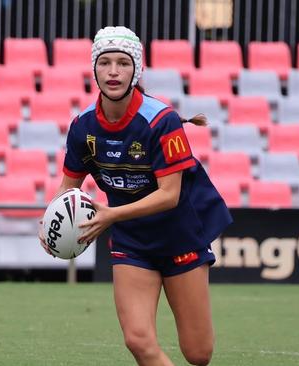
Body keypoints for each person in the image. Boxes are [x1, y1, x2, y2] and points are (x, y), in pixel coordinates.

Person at [39, 26, 232, 366]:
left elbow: (169, 196)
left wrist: (110, 215)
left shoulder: (162, 120)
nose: (113, 71)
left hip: (179, 236)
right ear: (94, 70)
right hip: (132, 241)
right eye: (105, 63)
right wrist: (50, 223)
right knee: (138, 340)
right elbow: (68, 186)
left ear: (136, 70)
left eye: (123, 63)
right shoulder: (83, 126)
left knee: (198, 354)